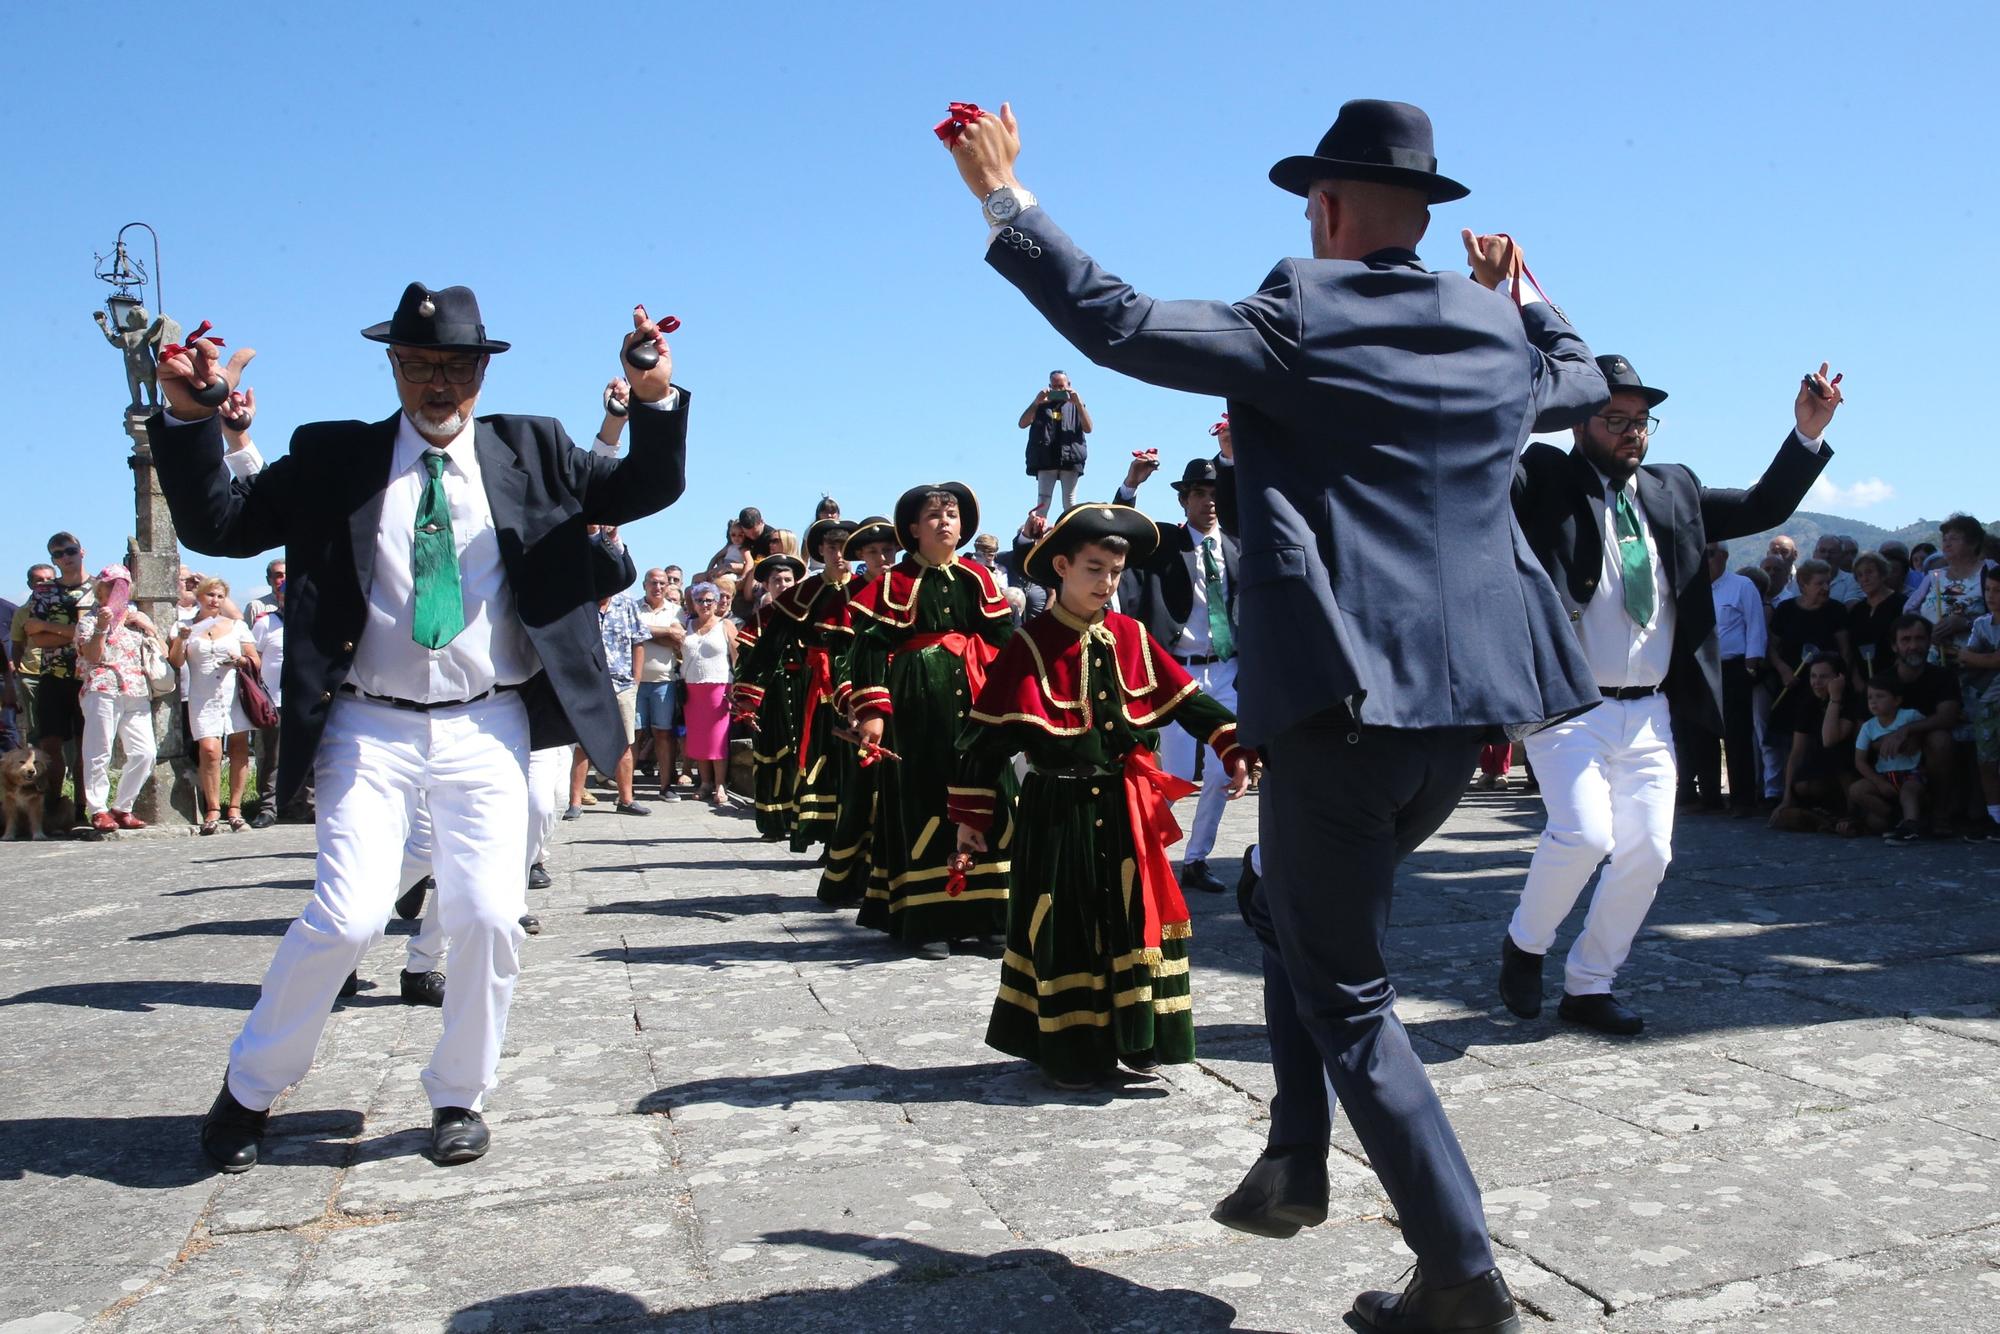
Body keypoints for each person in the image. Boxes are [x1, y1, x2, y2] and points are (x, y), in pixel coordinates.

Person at [948, 98, 1606, 1328]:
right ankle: (1293, 1155)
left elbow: (1120, 322)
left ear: (1322, 205)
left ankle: (1460, 1274)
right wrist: (1528, 291)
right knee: (1277, 905)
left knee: (1346, 990)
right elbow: (1578, 376)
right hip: (1455, 732)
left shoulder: (1300, 309)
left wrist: (1004, 200)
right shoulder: (1496, 331)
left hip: (1337, 710)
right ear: (1428, 214)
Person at [152, 284, 688, 1173]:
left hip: (489, 724)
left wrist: (656, 393)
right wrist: (186, 418)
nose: (437, 383)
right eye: (418, 364)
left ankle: (457, 1095)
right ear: (393, 366)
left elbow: (647, 484)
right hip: (370, 725)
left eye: (454, 366)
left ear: (482, 368)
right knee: (348, 915)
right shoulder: (334, 458)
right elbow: (220, 522)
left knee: (487, 915)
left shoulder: (535, 448)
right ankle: (250, 1089)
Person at [1502, 356, 1836, 1036]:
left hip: (1650, 707)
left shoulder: (1672, 489)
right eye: (1614, 419)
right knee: (1584, 833)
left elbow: (1761, 507)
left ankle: (1590, 985)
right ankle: (1526, 944)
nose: (1631, 433)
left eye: (1641, 421)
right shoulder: (1543, 478)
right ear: (1577, 423)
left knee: (1649, 852)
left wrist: (1805, 434)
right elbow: (1486, 475)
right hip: (1568, 704)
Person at [954, 504, 1250, 1087]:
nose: (1106, 583)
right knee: (1065, 924)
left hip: (1124, 809)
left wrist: (1233, 743)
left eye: (1114, 572)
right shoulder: (1030, 645)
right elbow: (985, 741)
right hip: (1056, 812)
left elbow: (1188, 701)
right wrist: (971, 813)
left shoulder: (1131, 635)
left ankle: (1139, 1040)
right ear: (1061, 567)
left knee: (1132, 917)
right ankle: (1074, 1053)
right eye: (1094, 569)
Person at [849, 484, 1016, 960]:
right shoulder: (892, 585)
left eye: (952, 514)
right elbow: (868, 650)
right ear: (913, 529)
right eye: (934, 515)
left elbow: (1007, 641)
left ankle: (990, 918)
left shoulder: (979, 578)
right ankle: (929, 921)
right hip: (917, 708)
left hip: (977, 706)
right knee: (925, 799)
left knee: (990, 795)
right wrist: (874, 715)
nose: (945, 522)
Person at [1113, 456, 1240, 895]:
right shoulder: (1166, 543)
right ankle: (1141, 849)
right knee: (1180, 773)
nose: (1209, 503)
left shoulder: (1237, 544)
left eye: (1215, 494)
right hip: (1177, 674)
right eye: (1200, 494)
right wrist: (1130, 485)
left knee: (1227, 768)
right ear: (1185, 500)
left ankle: (1197, 860)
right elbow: (1121, 532)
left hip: (1227, 669)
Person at [817, 517, 896, 906]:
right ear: (861, 557)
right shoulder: (851, 597)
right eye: (873, 552)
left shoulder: (906, 591)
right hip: (865, 705)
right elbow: (843, 660)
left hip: (904, 704)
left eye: (888, 551)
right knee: (863, 796)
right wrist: (855, 704)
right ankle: (853, 879)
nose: (882, 558)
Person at [769, 521, 856, 855]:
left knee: (852, 760)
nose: (838, 555)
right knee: (823, 757)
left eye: (844, 548)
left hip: (857, 687)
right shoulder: (805, 593)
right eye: (832, 548)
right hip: (817, 688)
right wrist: (750, 691)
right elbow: (774, 642)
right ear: (821, 551)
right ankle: (824, 833)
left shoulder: (865, 590)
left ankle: (850, 835)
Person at [169, 576, 260, 835]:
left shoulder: (236, 626)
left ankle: (235, 808)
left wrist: (240, 660)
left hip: (233, 693)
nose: (215, 600)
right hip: (202, 694)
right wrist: (182, 640)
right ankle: (212, 809)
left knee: (239, 746)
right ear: (199, 596)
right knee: (209, 749)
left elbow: (255, 660)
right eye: (210, 595)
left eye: (220, 596)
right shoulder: (183, 625)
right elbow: (175, 661)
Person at [1681, 541, 1766, 815]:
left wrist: (1753, 662)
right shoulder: (1692, 588)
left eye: (1709, 553)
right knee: (1701, 732)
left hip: (1732, 668)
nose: (1704, 559)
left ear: (1725, 556)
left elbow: (1755, 625)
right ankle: (1710, 798)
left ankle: (1742, 800)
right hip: (1700, 669)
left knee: (1737, 734)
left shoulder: (1742, 586)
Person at [74, 565, 161, 832]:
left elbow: (163, 653)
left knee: (146, 752)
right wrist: (102, 627)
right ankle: (98, 808)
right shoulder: (88, 620)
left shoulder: (136, 619)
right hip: (102, 687)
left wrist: (151, 628)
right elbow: (92, 656)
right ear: (101, 590)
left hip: (135, 688)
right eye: (112, 586)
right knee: (98, 751)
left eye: (122, 586)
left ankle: (123, 806)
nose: (117, 591)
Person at [569, 534, 650, 818]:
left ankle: (626, 799)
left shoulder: (627, 604)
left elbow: (639, 641)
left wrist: (636, 681)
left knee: (625, 742)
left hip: (622, 683)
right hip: (589, 684)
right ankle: (575, 802)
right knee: (583, 745)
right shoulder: (581, 605)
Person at [733, 553, 810, 840]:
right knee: (771, 756)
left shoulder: (806, 615)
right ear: (766, 585)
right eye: (777, 580)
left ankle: (802, 820)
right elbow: (746, 664)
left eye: (788, 580)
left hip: (803, 692)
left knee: (802, 755)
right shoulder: (759, 621)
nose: (783, 585)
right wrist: (747, 701)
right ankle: (773, 822)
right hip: (770, 697)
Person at [22, 533, 94, 805]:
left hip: (88, 677)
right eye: (58, 554)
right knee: (50, 747)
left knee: (86, 747)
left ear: (81, 551)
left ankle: (82, 808)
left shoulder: (98, 588)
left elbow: (98, 635)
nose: (65, 557)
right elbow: (36, 637)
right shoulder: (44, 591)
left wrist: (50, 627)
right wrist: (76, 633)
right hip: (52, 677)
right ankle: (52, 805)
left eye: (70, 550)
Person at [1768, 653, 1865, 832]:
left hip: (1848, 770)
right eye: (1813, 676)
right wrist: (1787, 797)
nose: (1816, 682)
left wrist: (1835, 698)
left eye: (1823, 677)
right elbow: (1796, 752)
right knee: (1791, 804)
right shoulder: (1808, 704)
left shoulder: (1852, 702)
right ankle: (1827, 820)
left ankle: (1852, 813)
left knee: (1837, 755)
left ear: (1839, 678)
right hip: (1821, 772)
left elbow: (1830, 739)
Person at [1905, 513, 1994, 668]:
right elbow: (1909, 610)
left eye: (1954, 538)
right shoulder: (1934, 577)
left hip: (1980, 666)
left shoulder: (1990, 571)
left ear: (1973, 543)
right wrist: (1926, 631)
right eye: (1944, 539)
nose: (1946, 544)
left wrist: (1967, 623)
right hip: (1934, 665)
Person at [679, 580, 739, 807]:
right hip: (692, 688)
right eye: (699, 600)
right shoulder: (687, 625)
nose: (704, 604)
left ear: (716, 602)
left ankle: (720, 783)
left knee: (717, 739)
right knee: (699, 738)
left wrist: (739, 687)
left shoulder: (726, 625)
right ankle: (705, 782)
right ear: (692, 603)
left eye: (709, 600)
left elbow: (737, 657)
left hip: (719, 688)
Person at [1853, 674, 1930, 843]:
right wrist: (1879, 782)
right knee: (1857, 790)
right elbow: (1859, 760)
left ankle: (1910, 827)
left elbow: (1927, 733)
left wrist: (1914, 739)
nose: (1873, 701)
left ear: (1897, 700)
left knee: (1908, 791)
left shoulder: (1910, 716)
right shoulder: (1868, 727)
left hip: (1911, 772)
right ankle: (1895, 818)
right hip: (1885, 776)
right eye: (1870, 697)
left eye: (1880, 696)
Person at [635, 568, 687, 802]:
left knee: (663, 734)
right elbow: (632, 634)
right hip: (634, 681)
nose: (658, 587)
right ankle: (627, 789)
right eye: (653, 583)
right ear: (645, 584)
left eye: (662, 583)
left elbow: (680, 640)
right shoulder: (633, 608)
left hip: (664, 682)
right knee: (632, 735)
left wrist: (645, 633)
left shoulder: (677, 612)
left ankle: (666, 785)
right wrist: (666, 633)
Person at [1957, 565, 2000, 840]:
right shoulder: (1983, 624)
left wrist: (1987, 660)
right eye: (1988, 590)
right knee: (1987, 760)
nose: (1992, 596)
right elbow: (1965, 657)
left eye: (1998, 591)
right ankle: (1995, 818)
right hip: (1989, 703)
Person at [1020, 370, 1094, 515]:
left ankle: (1071, 533)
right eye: (1055, 387)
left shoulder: (1076, 405)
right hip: (1045, 458)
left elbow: (1088, 428)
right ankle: (1038, 533)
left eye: (1062, 386)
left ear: (1069, 385)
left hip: (1071, 458)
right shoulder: (1041, 405)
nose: (1058, 390)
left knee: (1070, 502)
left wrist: (1078, 403)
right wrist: (1037, 402)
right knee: (1043, 501)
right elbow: (1023, 423)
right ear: (1049, 387)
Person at [248, 576, 289, 827]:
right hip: (274, 698)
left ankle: (303, 805)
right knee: (272, 756)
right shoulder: (266, 623)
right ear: (280, 597)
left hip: (304, 700)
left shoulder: (311, 620)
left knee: (311, 754)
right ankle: (268, 807)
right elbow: (254, 658)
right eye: (286, 594)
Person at [8, 564, 57, 763]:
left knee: (70, 729)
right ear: (30, 584)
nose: (45, 583)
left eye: (48, 579)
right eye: (39, 580)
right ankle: (38, 773)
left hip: (63, 675)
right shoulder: (22, 612)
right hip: (32, 675)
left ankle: (71, 775)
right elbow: (17, 645)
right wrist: (20, 674)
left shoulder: (67, 607)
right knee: (36, 729)